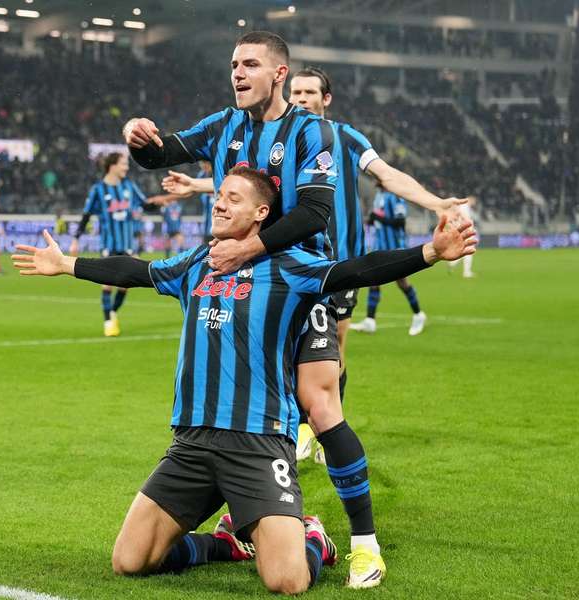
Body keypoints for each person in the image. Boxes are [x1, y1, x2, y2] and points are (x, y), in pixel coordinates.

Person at [12, 167, 476, 595]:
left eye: (232, 198)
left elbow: (355, 269)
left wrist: (431, 252)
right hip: (192, 443)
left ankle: (314, 538)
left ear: (260, 214)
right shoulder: (198, 261)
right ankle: (225, 545)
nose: (218, 203)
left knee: (287, 580)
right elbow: (137, 271)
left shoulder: (290, 266)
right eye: (218, 196)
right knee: (130, 561)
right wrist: (67, 263)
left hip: (258, 443)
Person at [135, 34, 465, 587]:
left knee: (320, 403)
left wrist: (434, 207)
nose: (238, 73)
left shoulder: (320, 134)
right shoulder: (223, 126)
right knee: (238, 405)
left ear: (281, 75)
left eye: (250, 64)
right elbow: (161, 152)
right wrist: (140, 140)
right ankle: (248, 522)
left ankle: (362, 544)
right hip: (238, 282)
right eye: (234, 64)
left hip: (302, 282)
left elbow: (316, 212)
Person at [69, 152, 171, 337]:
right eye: (123, 164)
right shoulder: (98, 190)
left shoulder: (129, 186)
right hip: (108, 245)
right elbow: (86, 216)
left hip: (127, 244)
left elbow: (145, 205)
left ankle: (113, 311)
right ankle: (108, 321)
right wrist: (76, 239)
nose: (126, 167)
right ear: (113, 166)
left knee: (125, 285)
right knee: (107, 284)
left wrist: (162, 202)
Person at [351, 186, 426, 335]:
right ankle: (370, 320)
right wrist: (371, 220)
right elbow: (377, 220)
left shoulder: (396, 196)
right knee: (374, 280)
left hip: (395, 247)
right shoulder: (379, 195)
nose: (374, 179)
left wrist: (378, 217)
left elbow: (400, 222)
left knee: (402, 281)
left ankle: (418, 314)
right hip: (380, 246)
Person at [448, 196, 477, 278]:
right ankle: (466, 272)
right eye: (473, 201)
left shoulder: (461, 207)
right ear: (470, 200)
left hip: (461, 231)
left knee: (464, 249)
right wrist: (471, 228)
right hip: (466, 231)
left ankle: (453, 263)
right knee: (469, 250)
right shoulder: (465, 207)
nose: (474, 203)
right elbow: (465, 218)